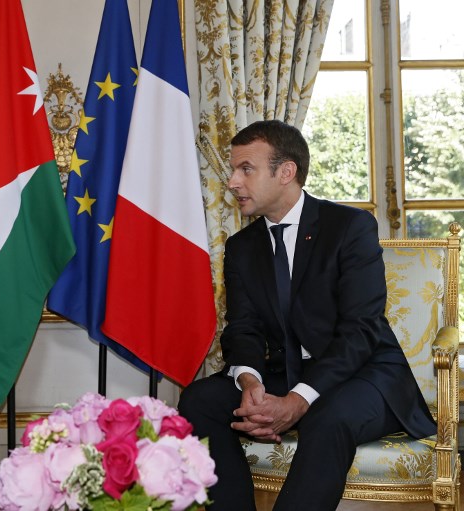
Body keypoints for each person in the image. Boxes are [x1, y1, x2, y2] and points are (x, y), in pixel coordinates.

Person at [178, 120, 435, 511]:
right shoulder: (242, 246)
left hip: (363, 375)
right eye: (233, 169)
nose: (232, 182)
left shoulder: (349, 227)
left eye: (246, 169)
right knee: (199, 399)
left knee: (325, 415)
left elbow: (360, 330)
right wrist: (250, 381)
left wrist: (298, 401)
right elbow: (243, 327)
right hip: (285, 372)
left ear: (286, 172)